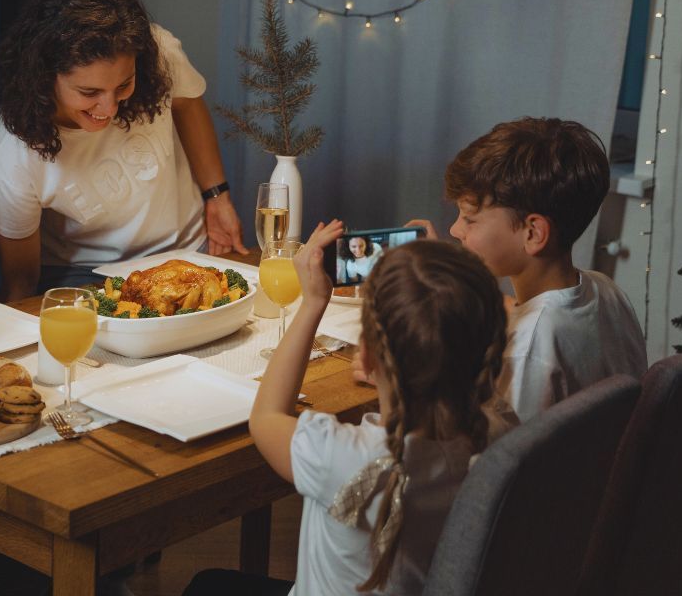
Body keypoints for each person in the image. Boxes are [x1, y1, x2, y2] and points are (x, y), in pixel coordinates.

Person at [185, 221, 509, 595]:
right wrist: (443, 272)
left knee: (206, 586)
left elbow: (266, 418)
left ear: (367, 355)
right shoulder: (496, 434)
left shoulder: (341, 456)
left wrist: (312, 303)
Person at [0, 0, 246, 301]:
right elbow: (20, 282)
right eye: (89, 91)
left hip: (187, 250)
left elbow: (187, 104)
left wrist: (217, 195)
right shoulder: (15, 150)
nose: (108, 108)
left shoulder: (158, 51)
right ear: (44, 77)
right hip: (87, 275)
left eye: (123, 86)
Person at [409, 117, 647, 423]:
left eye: (469, 218)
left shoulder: (528, 351)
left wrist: (408, 384)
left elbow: (501, 461)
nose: (455, 230)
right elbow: (524, 311)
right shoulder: (605, 290)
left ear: (533, 234)